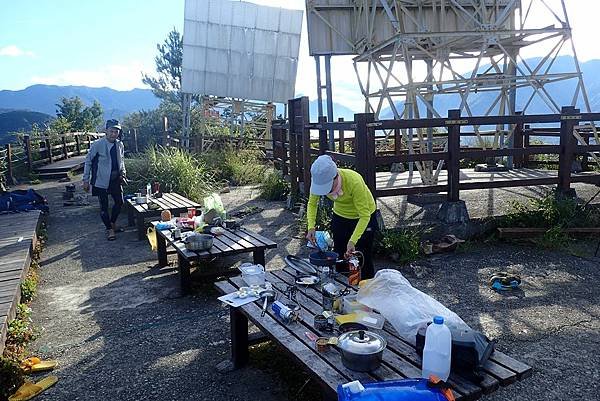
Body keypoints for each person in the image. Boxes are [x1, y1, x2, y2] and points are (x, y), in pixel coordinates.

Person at [306, 155, 379, 279]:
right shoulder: (318, 180)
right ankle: (342, 287)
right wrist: (311, 227)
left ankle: (367, 289)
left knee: (361, 257)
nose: (325, 192)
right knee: (339, 255)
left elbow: (364, 216)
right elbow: (312, 204)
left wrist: (353, 241)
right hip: (340, 215)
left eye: (328, 187)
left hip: (363, 217)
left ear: (335, 177)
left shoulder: (354, 180)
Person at [82, 119, 127, 240]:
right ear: (106, 131)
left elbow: (121, 161)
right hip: (100, 180)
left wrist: (123, 173)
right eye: (112, 131)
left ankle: (112, 223)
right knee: (104, 206)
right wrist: (85, 180)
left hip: (115, 179)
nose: (114, 134)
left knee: (120, 202)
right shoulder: (97, 144)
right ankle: (109, 229)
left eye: (116, 132)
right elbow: (88, 161)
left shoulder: (119, 144)